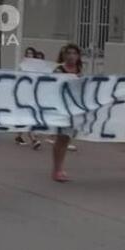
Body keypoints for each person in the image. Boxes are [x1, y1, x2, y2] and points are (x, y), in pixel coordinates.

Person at [51, 43, 83, 182]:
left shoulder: (79, 70)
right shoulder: (59, 70)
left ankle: (60, 168)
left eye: (74, 53)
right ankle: (57, 169)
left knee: (66, 138)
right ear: (64, 55)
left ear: (78, 56)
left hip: (74, 110)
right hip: (62, 109)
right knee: (61, 138)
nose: (71, 56)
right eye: (68, 53)